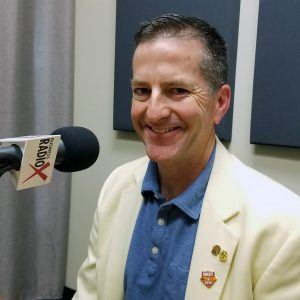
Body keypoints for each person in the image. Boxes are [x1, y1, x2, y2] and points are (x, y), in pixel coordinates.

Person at [73, 14, 300, 299]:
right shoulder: (116, 187)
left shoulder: (284, 225)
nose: (153, 113)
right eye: (142, 91)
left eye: (177, 91)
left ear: (220, 103)